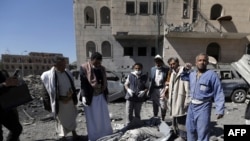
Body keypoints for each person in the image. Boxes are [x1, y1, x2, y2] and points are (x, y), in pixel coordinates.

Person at [181, 53, 225, 141]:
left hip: (204, 106)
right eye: (200, 60)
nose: (202, 62)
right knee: (190, 130)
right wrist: (185, 68)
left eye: (204, 60)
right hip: (192, 106)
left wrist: (220, 109)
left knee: (203, 132)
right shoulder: (192, 74)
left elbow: (218, 92)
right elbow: (183, 77)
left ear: (207, 62)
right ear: (196, 62)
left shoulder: (212, 75)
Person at [40, 56, 79, 141]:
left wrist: (72, 96)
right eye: (61, 65)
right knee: (61, 120)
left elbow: (72, 86)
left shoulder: (67, 72)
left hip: (70, 101)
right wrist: (48, 105)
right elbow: (45, 92)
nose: (64, 67)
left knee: (72, 117)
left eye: (64, 64)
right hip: (59, 103)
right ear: (55, 65)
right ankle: (63, 137)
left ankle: (74, 133)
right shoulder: (47, 75)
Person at [79, 52, 113, 141]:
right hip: (91, 96)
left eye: (99, 62)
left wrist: (106, 93)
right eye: (96, 62)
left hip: (101, 95)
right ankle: (94, 136)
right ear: (92, 59)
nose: (98, 64)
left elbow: (105, 82)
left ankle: (106, 133)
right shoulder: (84, 68)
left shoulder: (101, 68)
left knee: (103, 116)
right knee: (92, 118)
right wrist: (83, 96)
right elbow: (83, 84)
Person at [167, 57, 190, 141]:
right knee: (175, 118)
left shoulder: (184, 72)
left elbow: (188, 88)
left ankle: (184, 136)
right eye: (170, 64)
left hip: (181, 99)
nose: (172, 65)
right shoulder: (173, 72)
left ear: (177, 63)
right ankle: (177, 133)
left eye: (173, 63)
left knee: (181, 118)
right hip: (174, 99)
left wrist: (187, 101)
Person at [0, 69, 23, 141]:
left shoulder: (1, 72)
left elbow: (5, 86)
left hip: (5, 107)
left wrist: (12, 83)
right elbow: (3, 85)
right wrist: (4, 85)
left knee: (17, 128)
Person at [148, 54, 170, 121]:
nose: (158, 63)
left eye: (159, 61)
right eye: (156, 61)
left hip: (162, 89)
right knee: (155, 105)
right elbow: (151, 80)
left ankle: (163, 119)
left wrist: (166, 88)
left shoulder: (166, 69)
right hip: (154, 89)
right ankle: (155, 118)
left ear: (161, 62)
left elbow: (167, 79)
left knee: (163, 105)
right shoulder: (152, 69)